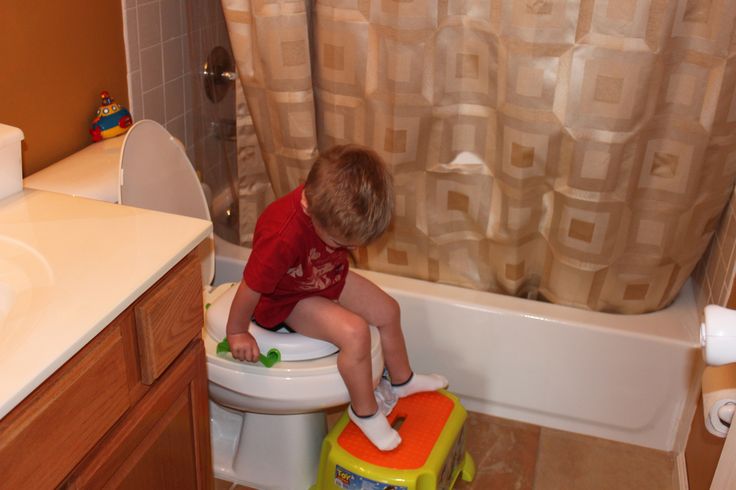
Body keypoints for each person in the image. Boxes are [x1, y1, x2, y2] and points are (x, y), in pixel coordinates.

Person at [225, 144, 447, 451]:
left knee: (388, 310)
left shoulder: (328, 201)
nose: (351, 250)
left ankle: (402, 380)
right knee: (355, 333)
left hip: (320, 275)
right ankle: (365, 412)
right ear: (310, 209)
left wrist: (336, 251)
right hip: (285, 299)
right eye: (343, 242)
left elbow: (333, 250)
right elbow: (251, 286)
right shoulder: (282, 237)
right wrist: (237, 332)